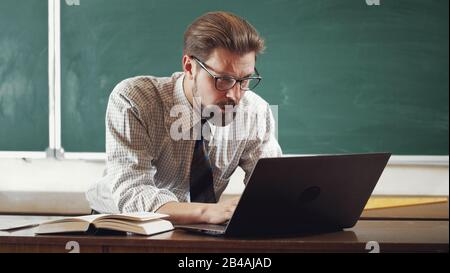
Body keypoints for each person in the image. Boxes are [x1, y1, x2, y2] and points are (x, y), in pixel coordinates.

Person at [86, 11, 282, 224]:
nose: (235, 95)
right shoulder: (134, 99)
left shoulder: (255, 111)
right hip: (122, 225)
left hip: (202, 225)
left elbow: (272, 186)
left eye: (245, 80)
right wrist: (207, 212)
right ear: (190, 67)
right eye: (224, 80)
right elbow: (132, 192)